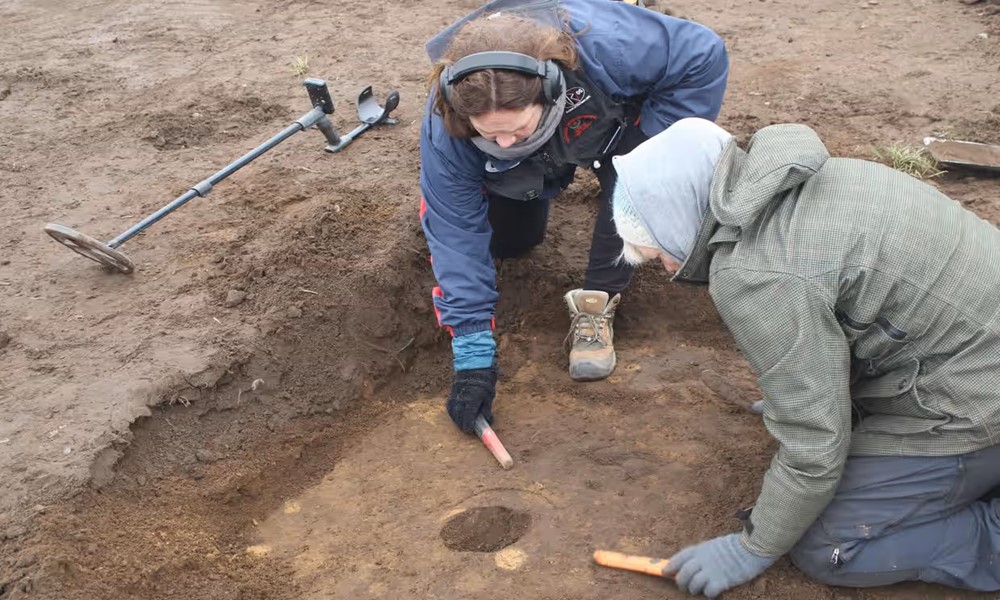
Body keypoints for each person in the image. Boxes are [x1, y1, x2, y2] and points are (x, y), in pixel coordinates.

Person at [607, 116, 1000, 598]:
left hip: (977, 398)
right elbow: (869, 311)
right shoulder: (817, 176)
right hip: (970, 348)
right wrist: (803, 396)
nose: (668, 268)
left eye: (660, 252)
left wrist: (753, 546)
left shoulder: (757, 274)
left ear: (678, 214)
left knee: (830, 546)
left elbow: (815, 444)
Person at [419, 0, 729, 436]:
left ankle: (598, 300)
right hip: (546, 139)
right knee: (508, 240)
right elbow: (454, 225)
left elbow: (702, 52)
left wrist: (652, 154)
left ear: (548, 93)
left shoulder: (612, 48)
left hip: (608, 110)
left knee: (632, 188)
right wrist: (473, 357)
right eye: (489, 133)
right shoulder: (447, 123)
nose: (504, 141)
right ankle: (536, 179)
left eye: (516, 129)